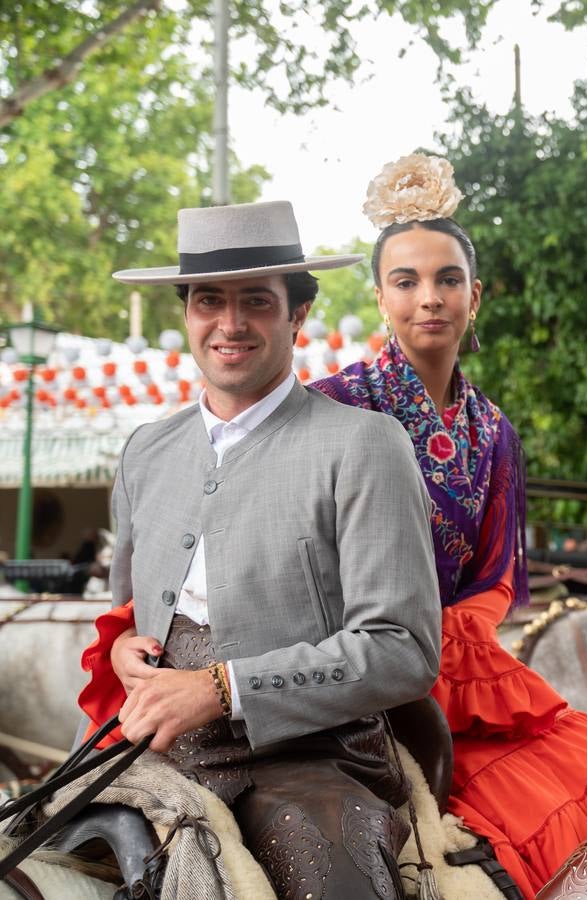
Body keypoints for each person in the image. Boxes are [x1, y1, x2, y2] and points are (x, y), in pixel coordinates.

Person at [310, 154, 587, 896]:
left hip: (463, 669)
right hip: (352, 663)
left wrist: (457, 640)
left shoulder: (494, 431)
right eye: (405, 281)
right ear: (379, 296)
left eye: (447, 280)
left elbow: (498, 571)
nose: (428, 298)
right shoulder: (329, 407)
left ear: (478, 295)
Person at [79, 200, 442, 899]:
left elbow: (402, 649)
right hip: (144, 750)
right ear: (187, 312)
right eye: (209, 300)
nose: (230, 323)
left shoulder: (364, 445)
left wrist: (221, 689)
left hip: (305, 758)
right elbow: (127, 608)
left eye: (256, 302)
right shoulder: (145, 452)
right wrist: (126, 644)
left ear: (297, 315)